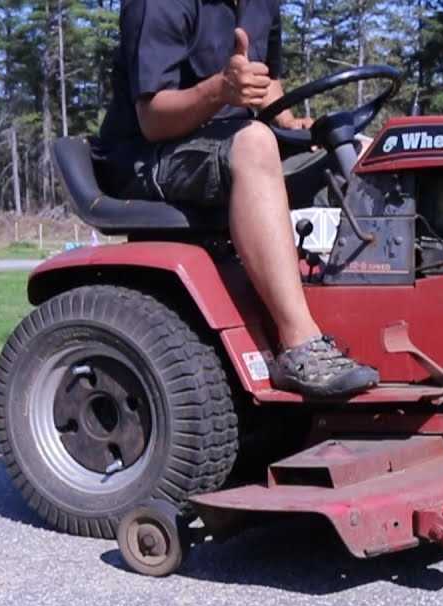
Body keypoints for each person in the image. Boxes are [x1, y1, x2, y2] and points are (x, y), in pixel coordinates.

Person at [95, 0, 379, 398]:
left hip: (229, 140)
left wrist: (289, 121)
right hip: (145, 155)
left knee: (365, 150)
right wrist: (220, 90)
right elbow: (153, 117)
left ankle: (388, 317)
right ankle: (300, 345)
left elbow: (267, 81)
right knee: (254, 143)